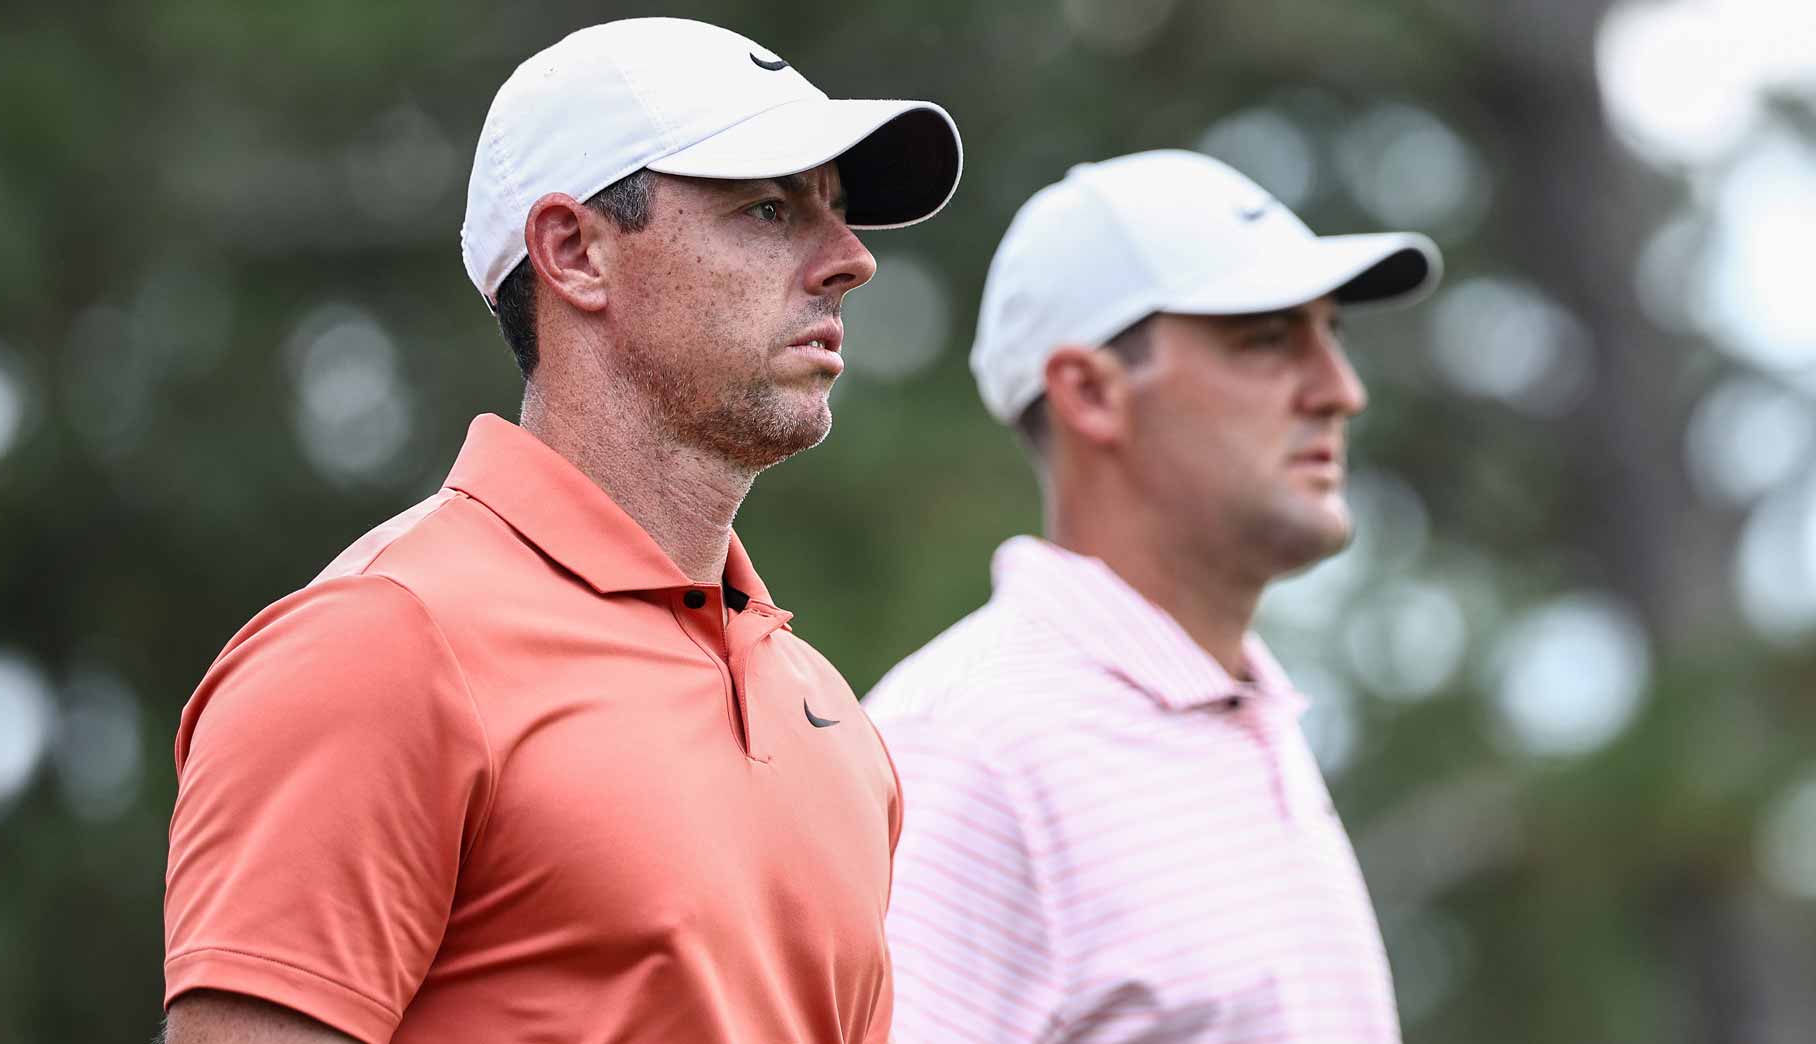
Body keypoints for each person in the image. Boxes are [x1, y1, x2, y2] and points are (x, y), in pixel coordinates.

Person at [160, 17, 961, 1044]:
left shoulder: (833, 718)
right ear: (575, 253)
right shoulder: (379, 644)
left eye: (838, 213)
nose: (851, 260)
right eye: (769, 208)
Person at [865, 150, 1442, 1043]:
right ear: (1092, 393)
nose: (1341, 390)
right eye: (1267, 339)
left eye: (1332, 334)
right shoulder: (967, 749)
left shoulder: (1245, 716)